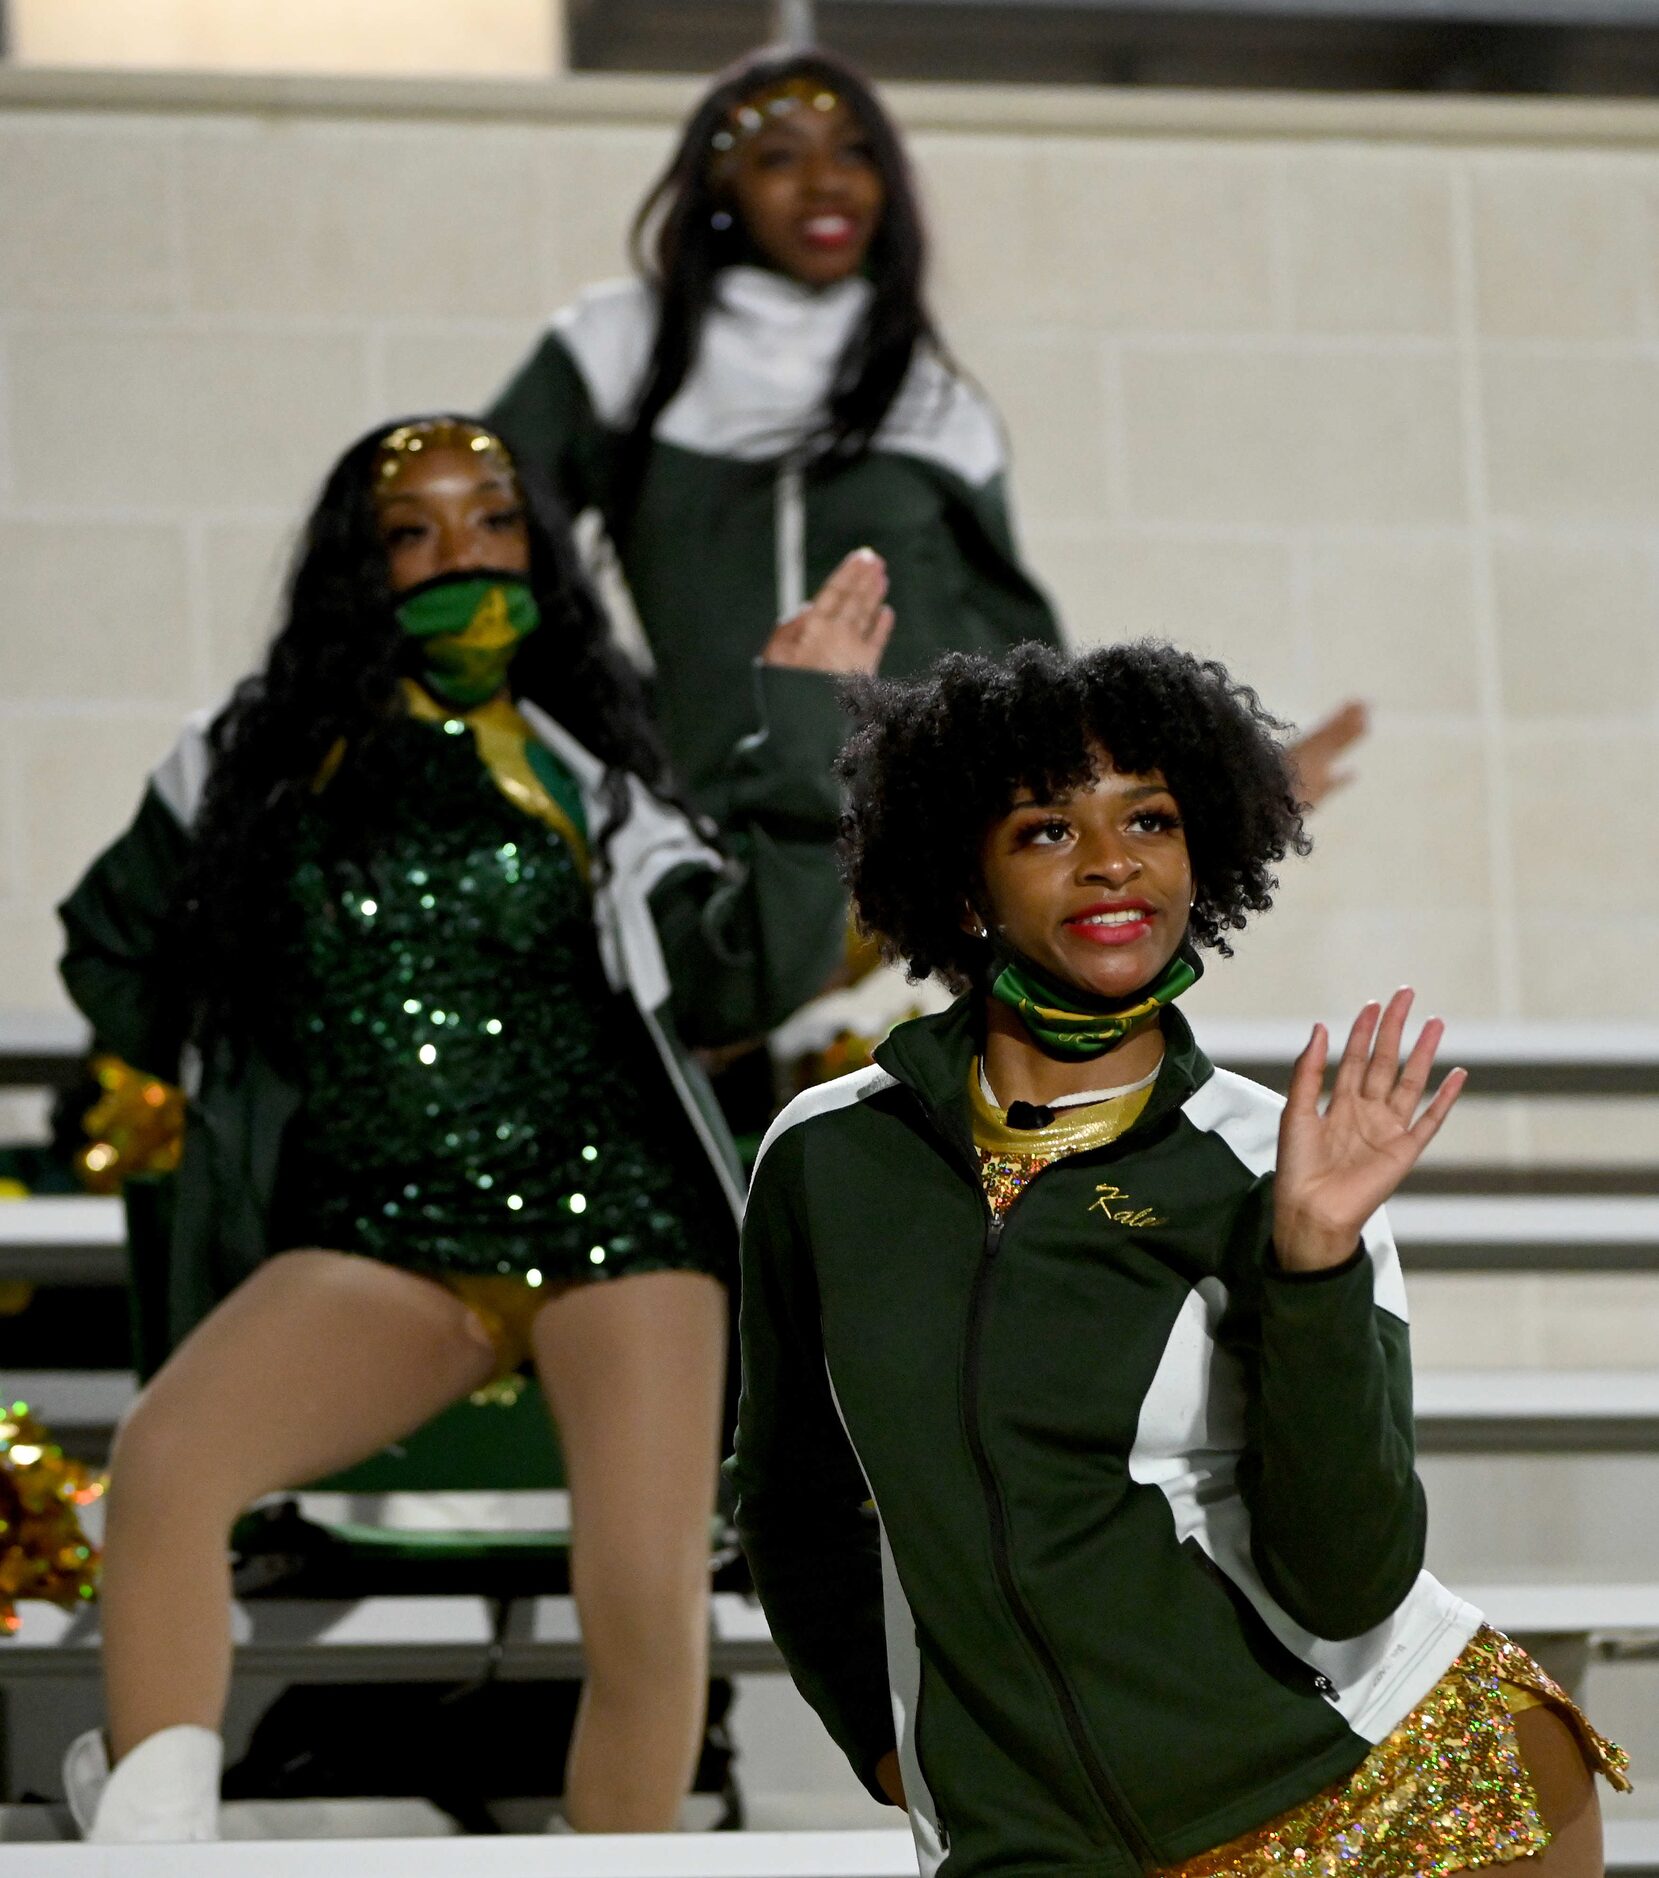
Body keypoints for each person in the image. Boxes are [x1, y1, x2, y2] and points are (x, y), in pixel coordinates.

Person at [55, 415, 892, 1842]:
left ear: (538, 555)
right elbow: (113, 941)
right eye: (414, 529)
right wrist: (203, 1069)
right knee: (168, 1462)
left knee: (644, 1595)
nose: (461, 555)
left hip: (619, 1224)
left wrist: (802, 730)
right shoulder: (245, 765)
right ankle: (153, 1839)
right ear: (357, 568)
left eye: (493, 521)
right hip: (388, 1238)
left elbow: (746, 967)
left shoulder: (590, 775)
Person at [728, 640, 1628, 1878]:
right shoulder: (828, 1158)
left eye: (1148, 818)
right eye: (1047, 829)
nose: (1112, 862)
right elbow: (791, 1495)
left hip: (1383, 1790)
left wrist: (1314, 1262)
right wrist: (882, 1746)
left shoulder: (1275, 1162)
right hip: (1023, 1842)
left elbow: (1351, 1582)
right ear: (965, 883)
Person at [486, 45, 1365, 818]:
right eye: (779, 159)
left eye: (857, 155)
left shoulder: (932, 401)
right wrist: (599, 714)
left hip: (895, 855)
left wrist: (1191, 798)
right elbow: (480, 538)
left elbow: (1014, 659)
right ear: (719, 187)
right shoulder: (615, 347)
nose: (826, 182)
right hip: (695, 828)